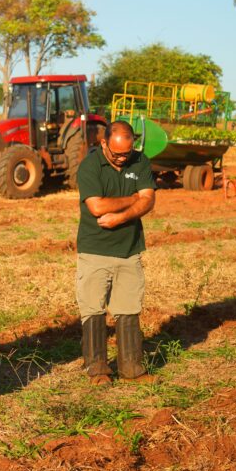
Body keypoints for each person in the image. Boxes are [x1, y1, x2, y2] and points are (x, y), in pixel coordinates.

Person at [75, 120, 157, 385]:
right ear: (103, 144)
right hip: (95, 250)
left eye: (126, 153)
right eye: (116, 153)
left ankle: (132, 369)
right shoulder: (89, 166)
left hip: (129, 250)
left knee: (129, 309)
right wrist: (134, 198)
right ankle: (97, 370)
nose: (122, 158)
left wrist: (120, 218)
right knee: (93, 309)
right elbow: (97, 207)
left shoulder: (140, 161)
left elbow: (149, 200)